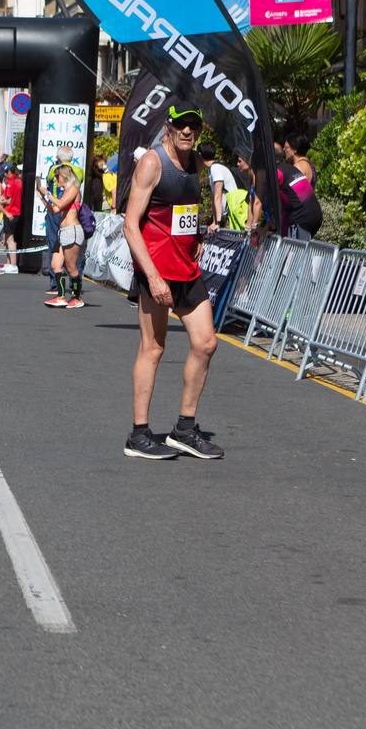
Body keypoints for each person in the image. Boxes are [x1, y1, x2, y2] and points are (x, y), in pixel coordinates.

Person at [123, 101, 223, 461]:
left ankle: (184, 428)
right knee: (153, 348)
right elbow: (130, 224)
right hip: (156, 270)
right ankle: (138, 434)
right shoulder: (153, 162)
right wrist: (151, 276)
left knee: (206, 343)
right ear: (169, 126)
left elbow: (188, 209)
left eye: (193, 126)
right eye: (181, 125)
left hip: (186, 269)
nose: (187, 131)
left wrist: (197, 236)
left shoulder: (196, 164)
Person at [43, 164, 85, 308]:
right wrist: (43, 197)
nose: (55, 180)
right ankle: (61, 296)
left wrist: (48, 194)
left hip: (72, 231)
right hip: (63, 232)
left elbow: (60, 204)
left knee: (71, 267)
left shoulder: (74, 188)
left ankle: (76, 297)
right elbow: (54, 209)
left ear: (64, 176)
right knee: (56, 265)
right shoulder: (66, 191)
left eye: (57, 176)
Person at [276, 136, 323, 240]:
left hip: (300, 214)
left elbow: (294, 194)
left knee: (295, 250)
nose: (284, 151)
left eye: (286, 148)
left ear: (295, 149)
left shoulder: (298, 167)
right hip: (310, 212)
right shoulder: (309, 164)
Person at [199, 141, 237, 233]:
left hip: (232, 214)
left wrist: (217, 223)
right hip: (226, 215)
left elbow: (217, 196)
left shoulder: (216, 168)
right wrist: (214, 221)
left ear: (200, 155)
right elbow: (214, 197)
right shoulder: (212, 169)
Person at [0, 165, 23, 275]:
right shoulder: (18, 181)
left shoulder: (11, 183)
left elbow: (8, 200)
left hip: (11, 212)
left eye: (5, 172)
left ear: (8, 172)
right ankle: (9, 263)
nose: (4, 175)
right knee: (7, 238)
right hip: (15, 212)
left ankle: (13, 264)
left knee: (10, 240)